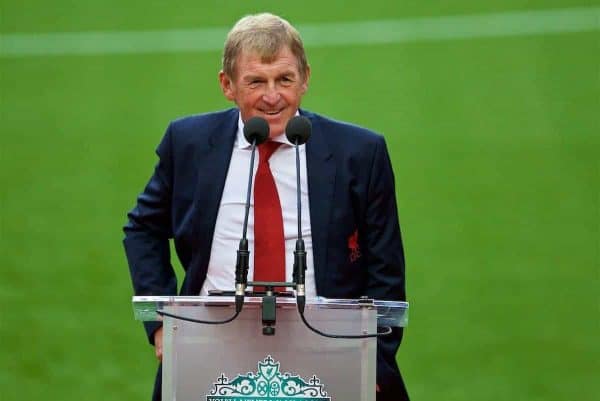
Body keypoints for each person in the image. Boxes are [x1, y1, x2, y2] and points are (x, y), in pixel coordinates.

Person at [123, 12, 408, 401]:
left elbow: (386, 268)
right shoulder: (188, 142)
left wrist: (374, 359)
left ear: (305, 78)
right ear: (227, 85)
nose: (272, 96)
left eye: (284, 80)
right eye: (256, 81)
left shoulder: (359, 153)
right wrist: (161, 323)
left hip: (328, 344)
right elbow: (143, 228)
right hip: (211, 342)